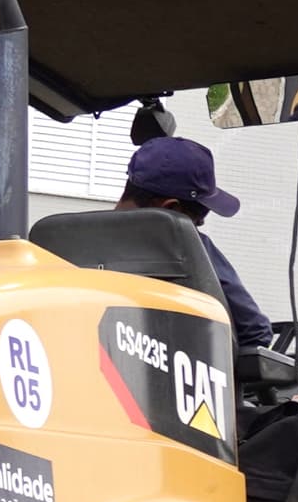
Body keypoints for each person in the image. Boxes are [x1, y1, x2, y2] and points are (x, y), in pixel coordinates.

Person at [118, 135, 277, 356]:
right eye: (197, 220)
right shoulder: (185, 244)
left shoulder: (63, 241)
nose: (199, 226)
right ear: (171, 209)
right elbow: (254, 331)